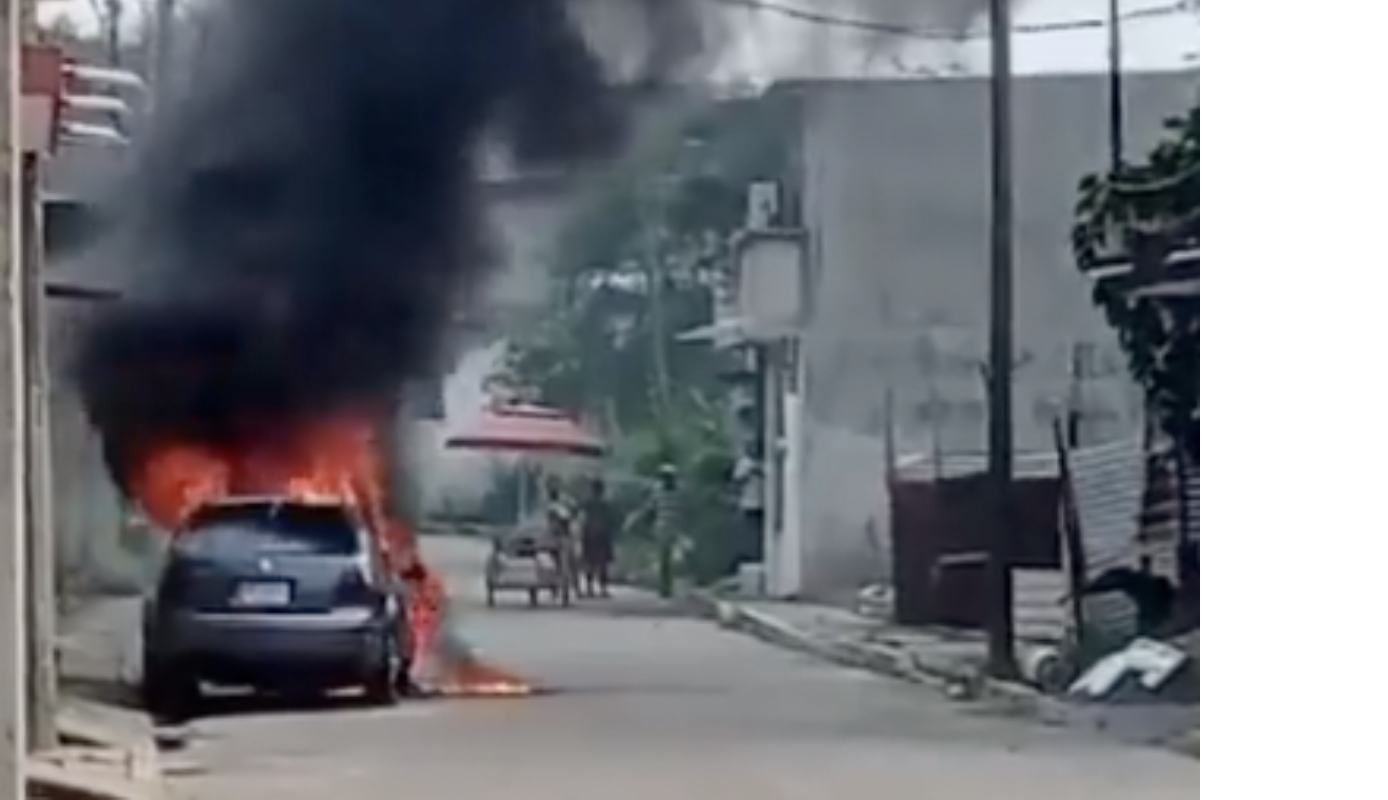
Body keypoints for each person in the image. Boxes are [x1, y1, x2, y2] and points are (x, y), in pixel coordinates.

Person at [580, 478, 616, 598]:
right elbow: (611, 519)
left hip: (589, 533)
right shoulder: (606, 503)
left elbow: (581, 515)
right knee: (603, 563)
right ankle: (603, 589)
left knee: (590, 562)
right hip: (603, 534)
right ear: (602, 490)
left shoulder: (587, 502)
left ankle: (590, 588)